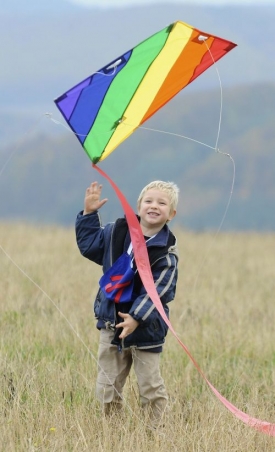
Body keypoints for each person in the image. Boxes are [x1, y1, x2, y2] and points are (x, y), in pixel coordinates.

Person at [75, 180, 179, 427]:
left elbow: (159, 292)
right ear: (139, 205)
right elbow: (90, 246)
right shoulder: (116, 232)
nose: (154, 206)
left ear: (171, 214)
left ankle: (156, 433)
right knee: (107, 386)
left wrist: (136, 318)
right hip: (112, 324)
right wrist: (89, 214)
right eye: (149, 201)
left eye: (162, 203)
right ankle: (111, 432)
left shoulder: (166, 253)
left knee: (150, 387)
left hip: (146, 331)